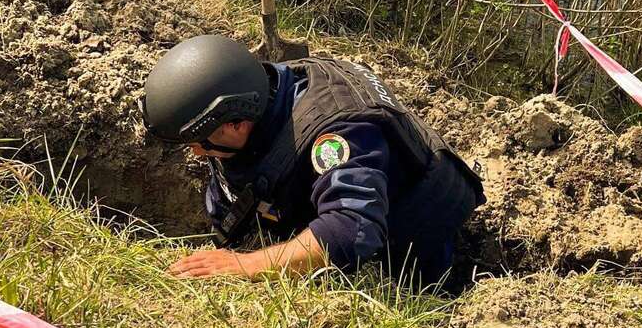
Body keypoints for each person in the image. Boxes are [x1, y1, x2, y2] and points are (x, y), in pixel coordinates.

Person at [138, 35, 485, 290]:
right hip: (338, 187)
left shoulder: (338, 134)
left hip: (412, 227)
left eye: (200, 143)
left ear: (236, 123)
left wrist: (245, 265)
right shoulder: (259, 91)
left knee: (411, 271)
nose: (197, 154)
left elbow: (353, 230)